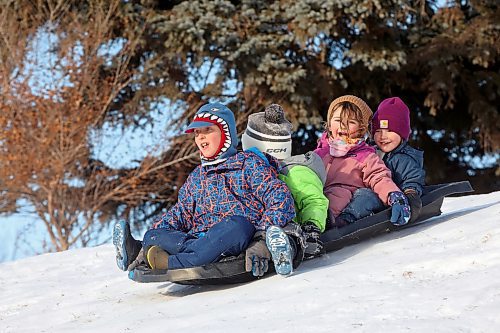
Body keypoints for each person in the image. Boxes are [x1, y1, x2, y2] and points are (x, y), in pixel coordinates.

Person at [112, 102, 297, 277]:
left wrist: (261, 237)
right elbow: (180, 213)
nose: (200, 136)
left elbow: (280, 199)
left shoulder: (248, 163)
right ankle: (164, 253)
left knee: (236, 226)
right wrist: (149, 241)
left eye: (207, 130)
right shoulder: (197, 177)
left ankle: (169, 263)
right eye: (197, 132)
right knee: (153, 235)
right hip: (198, 239)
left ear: (226, 133)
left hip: (235, 236)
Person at [241, 104, 329, 260]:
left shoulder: (295, 172)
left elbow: (314, 200)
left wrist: (311, 227)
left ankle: (286, 249)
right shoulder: (251, 176)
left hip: (295, 229)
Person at [314, 95, 411, 227]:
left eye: (351, 122)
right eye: (338, 120)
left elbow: (379, 177)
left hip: (344, 199)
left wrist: (394, 195)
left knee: (338, 194)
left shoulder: (365, 155)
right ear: (330, 125)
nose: (343, 125)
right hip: (315, 195)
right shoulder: (319, 152)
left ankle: (329, 222)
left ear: (362, 128)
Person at [371, 97, 425, 222]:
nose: (383, 136)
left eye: (389, 130)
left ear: (402, 134)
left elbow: (413, 179)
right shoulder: (370, 153)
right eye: (378, 131)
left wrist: (411, 194)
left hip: (391, 201)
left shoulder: (403, 159)